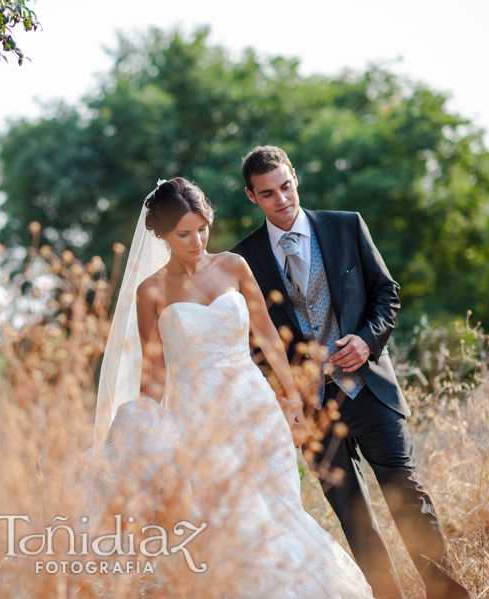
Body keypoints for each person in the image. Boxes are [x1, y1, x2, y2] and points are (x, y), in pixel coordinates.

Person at [91, 177, 373, 598]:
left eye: (202, 227)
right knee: (236, 521)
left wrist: (292, 400)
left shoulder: (233, 267)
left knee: (281, 511)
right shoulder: (150, 290)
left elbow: (268, 336)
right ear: (163, 235)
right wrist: (149, 430)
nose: (197, 240)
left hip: (255, 409)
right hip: (199, 422)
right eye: (183, 234)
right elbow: (152, 371)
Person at [230, 146, 469, 599]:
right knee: (353, 517)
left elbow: (386, 293)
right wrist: (287, 395)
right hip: (311, 410)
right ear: (251, 196)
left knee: (409, 496)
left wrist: (366, 339)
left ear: (295, 177)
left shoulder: (346, 225)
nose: (282, 199)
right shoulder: (243, 260)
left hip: (370, 390)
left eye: (286, 186)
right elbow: (251, 343)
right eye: (268, 193)